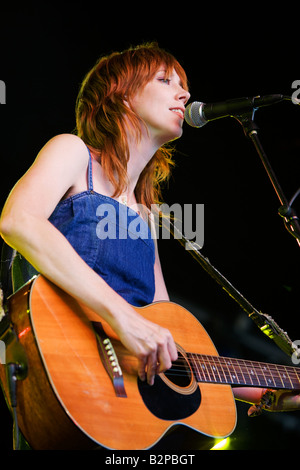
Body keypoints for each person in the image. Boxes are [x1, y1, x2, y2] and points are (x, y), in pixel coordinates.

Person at [0, 43, 299, 449]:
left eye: (184, 85)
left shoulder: (148, 215)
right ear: (122, 94)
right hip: (57, 366)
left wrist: (260, 391)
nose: (184, 94)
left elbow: (169, 341)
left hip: (115, 409)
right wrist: (124, 317)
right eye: (166, 81)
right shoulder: (73, 153)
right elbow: (19, 220)